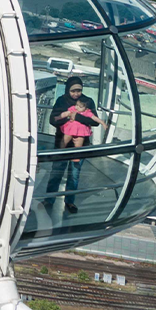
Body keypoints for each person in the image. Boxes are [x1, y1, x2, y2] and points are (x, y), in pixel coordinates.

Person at [45, 77, 101, 214]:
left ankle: (69, 201)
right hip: (62, 143)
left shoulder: (88, 101)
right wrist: (68, 117)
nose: (76, 94)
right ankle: (49, 199)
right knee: (56, 173)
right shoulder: (61, 101)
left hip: (80, 146)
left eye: (79, 90)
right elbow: (53, 119)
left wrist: (76, 117)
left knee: (74, 175)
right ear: (67, 89)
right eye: (73, 91)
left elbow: (95, 122)